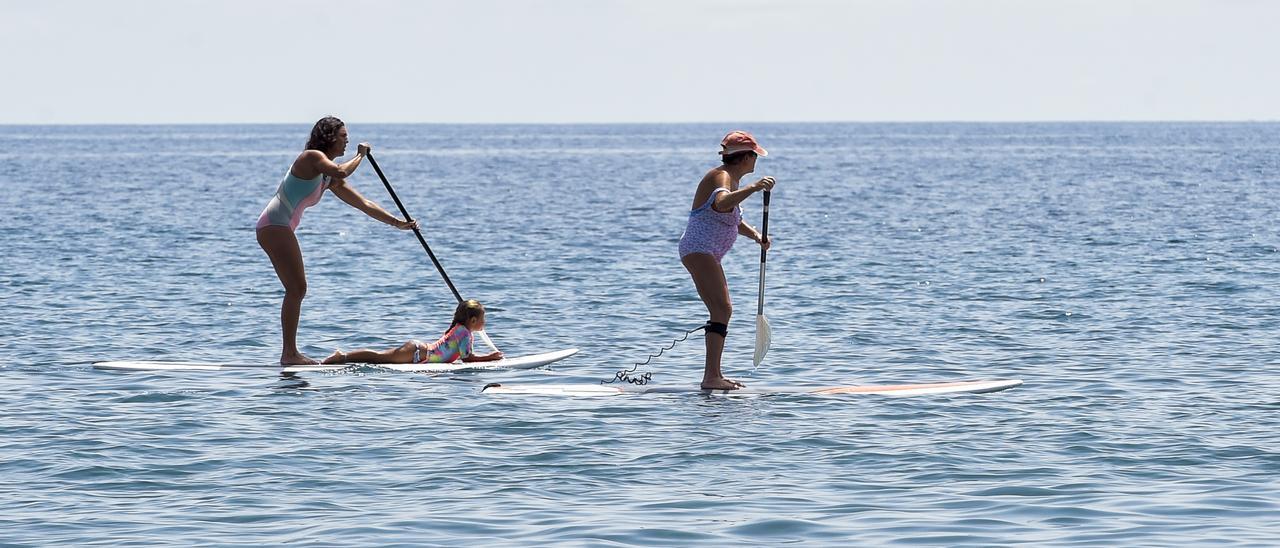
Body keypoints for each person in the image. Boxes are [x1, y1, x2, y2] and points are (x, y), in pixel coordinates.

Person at [257, 116, 419, 365]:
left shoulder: (326, 178)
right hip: (273, 225)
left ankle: (289, 353)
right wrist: (361, 156)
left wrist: (397, 223)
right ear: (329, 137)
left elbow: (363, 204)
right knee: (297, 288)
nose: (347, 141)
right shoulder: (310, 158)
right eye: (343, 136)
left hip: (278, 227)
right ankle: (289, 354)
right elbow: (342, 169)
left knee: (297, 288)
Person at [678, 130, 776, 390]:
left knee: (721, 310)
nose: (756, 160)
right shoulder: (721, 177)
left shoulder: (730, 179)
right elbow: (721, 204)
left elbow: (731, 218)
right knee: (722, 309)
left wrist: (756, 235)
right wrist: (753, 188)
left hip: (705, 252)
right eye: (755, 155)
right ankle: (711, 377)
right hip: (699, 249)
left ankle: (713, 375)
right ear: (745, 157)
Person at [321, 300, 504, 364]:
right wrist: (490, 357)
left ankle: (343, 356)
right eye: (482, 319)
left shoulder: (460, 328)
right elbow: (467, 358)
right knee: (379, 358)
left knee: (380, 357)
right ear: (472, 320)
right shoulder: (465, 333)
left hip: (417, 350)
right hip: (417, 353)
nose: (484, 322)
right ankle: (342, 357)